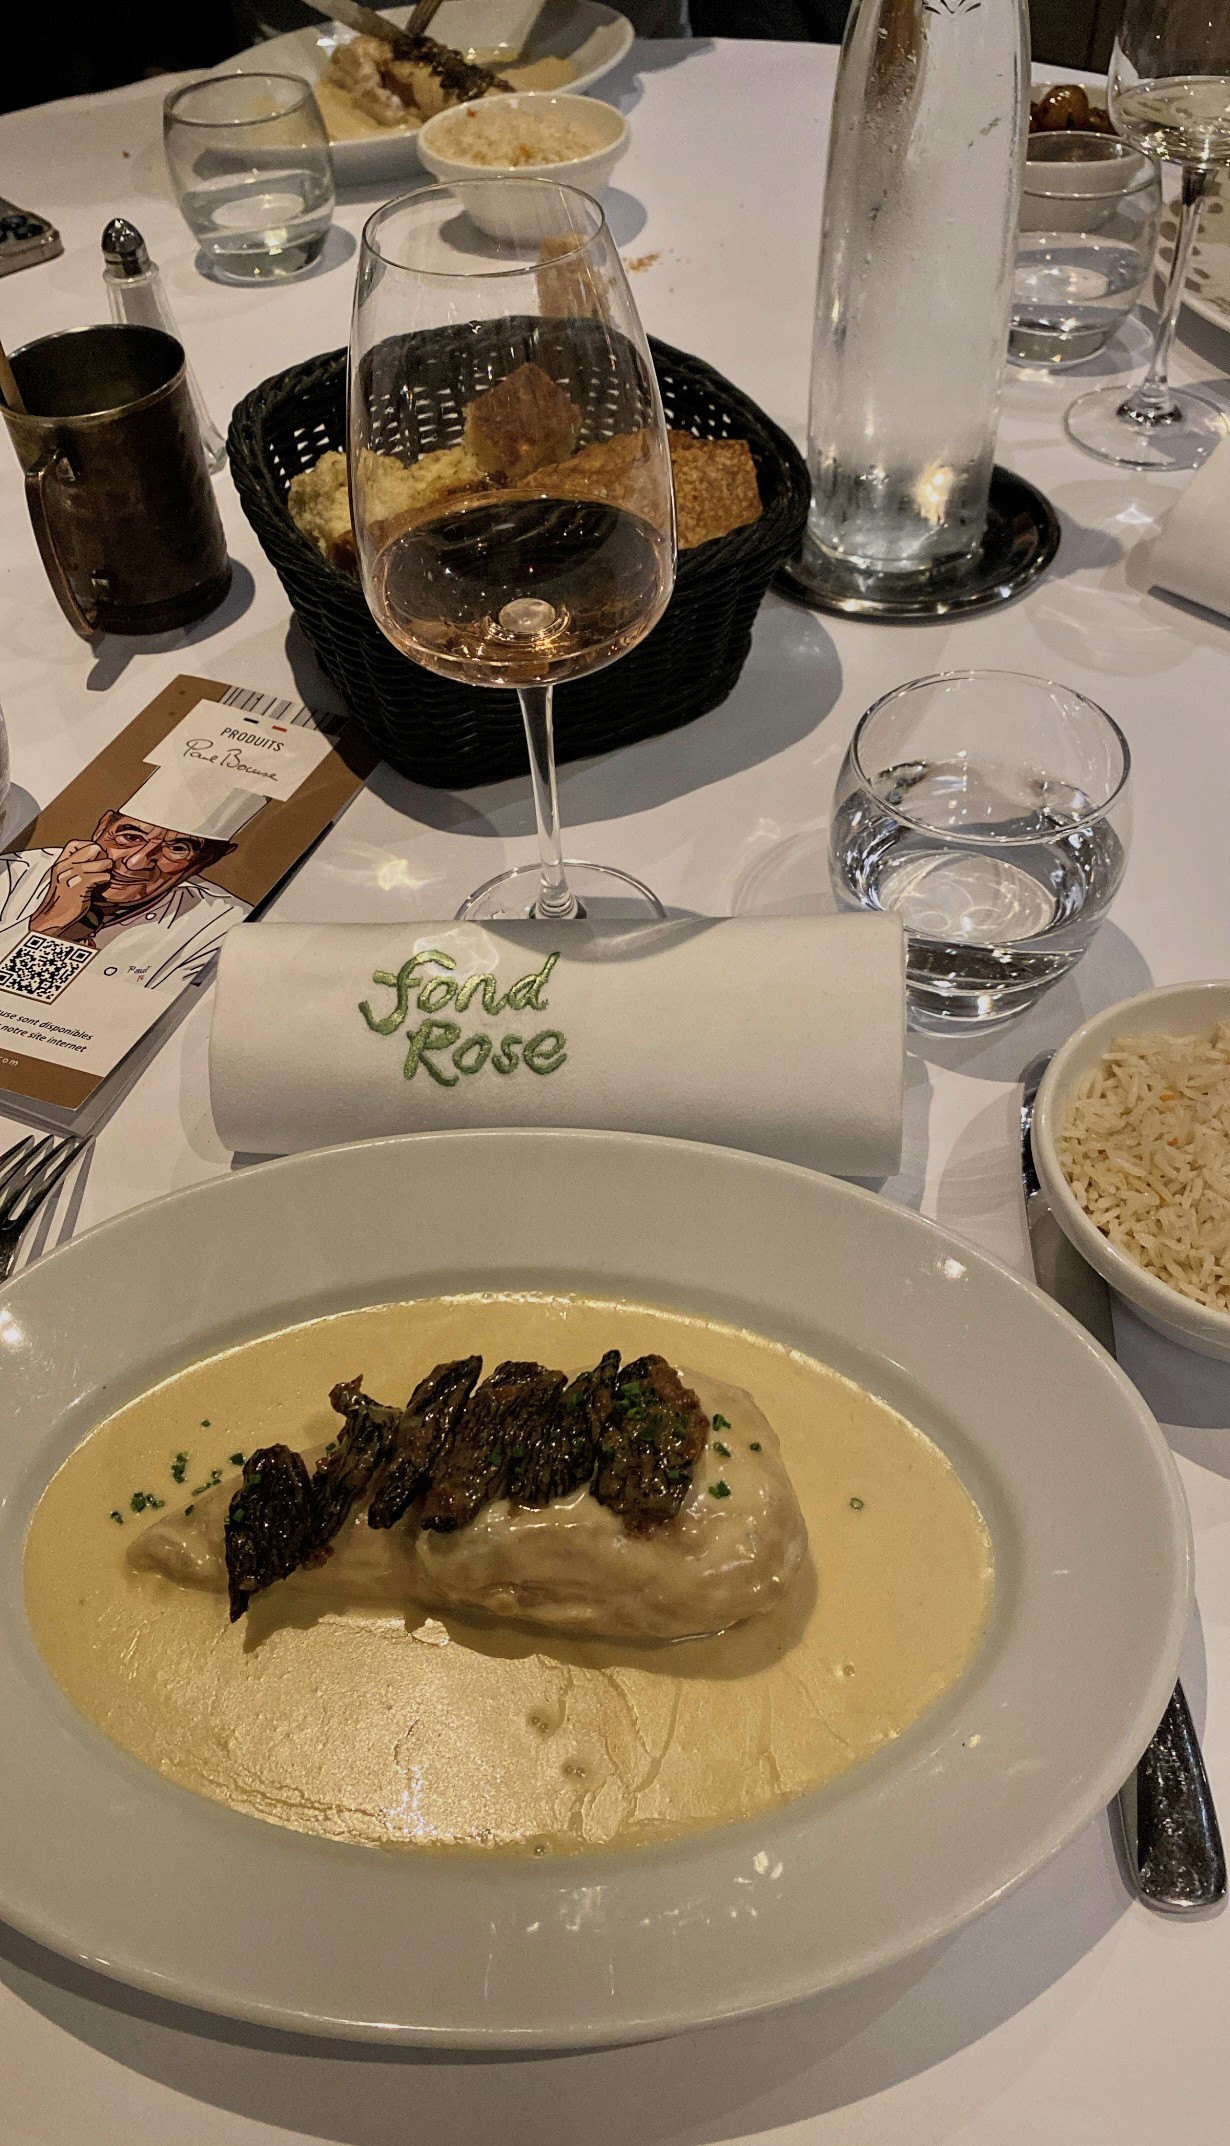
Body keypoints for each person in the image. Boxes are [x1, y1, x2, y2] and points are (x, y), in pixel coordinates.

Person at [0, 767, 260, 993]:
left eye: (177, 848)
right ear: (103, 826)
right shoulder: (14, 872)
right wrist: (51, 921)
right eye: (130, 837)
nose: (136, 862)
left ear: (207, 860)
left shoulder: (225, 928)